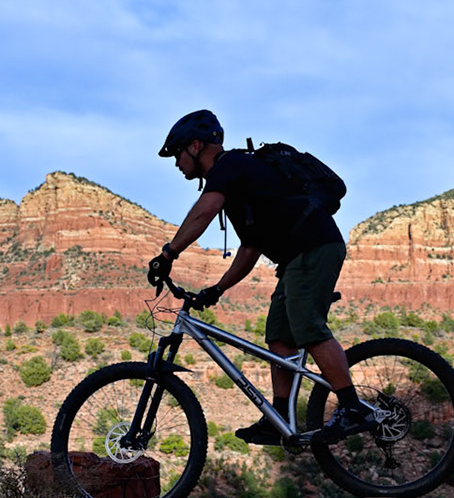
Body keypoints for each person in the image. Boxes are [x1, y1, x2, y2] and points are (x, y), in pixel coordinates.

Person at [146, 110, 373, 445]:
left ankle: (354, 408)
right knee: (280, 337)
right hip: (299, 256)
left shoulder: (230, 166)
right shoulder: (239, 186)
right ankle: (279, 417)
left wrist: (168, 254)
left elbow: (204, 211)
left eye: (178, 154)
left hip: (314, 248)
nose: (177, 164)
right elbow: (250, 249)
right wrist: (217, 290)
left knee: (307, 327)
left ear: (195, 146)